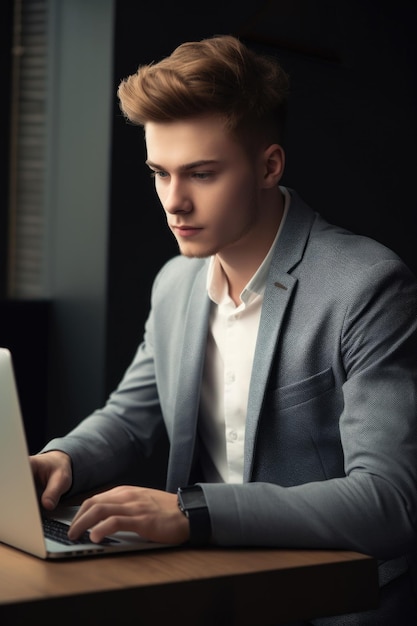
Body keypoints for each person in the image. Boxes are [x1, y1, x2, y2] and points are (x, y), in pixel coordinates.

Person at [30, 35, 417, 624]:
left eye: (201, 174)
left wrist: (193, 512)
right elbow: (130, 419)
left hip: (334, 603)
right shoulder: (175, 283)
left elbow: (389, 501)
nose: (173, 202)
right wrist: (63, 460)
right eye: (159, 172)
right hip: (208, 591)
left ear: (269, 166)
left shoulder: (367, 284)